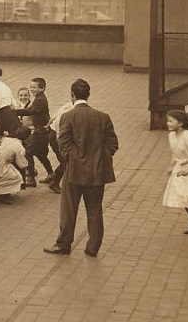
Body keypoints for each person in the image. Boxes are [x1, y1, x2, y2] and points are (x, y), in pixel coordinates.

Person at [44, 79, 118, 258]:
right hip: (97, 172)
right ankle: (93, 247)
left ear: (72, 95)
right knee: (94, 210)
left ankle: (64, 244)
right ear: (88, 95)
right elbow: (113, 144)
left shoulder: (67, 116)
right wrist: (99, 158)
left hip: (74, 172)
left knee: (69, 210)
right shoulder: (103, 117)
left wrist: (74, 159)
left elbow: (63, 145)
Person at [16, 77, 52, 188]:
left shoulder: (40, 99)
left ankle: (30, 178)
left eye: (34, 87)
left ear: (42, 88)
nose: (32, 89)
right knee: (41, 154)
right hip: (42, 131)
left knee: (28, 153)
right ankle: (51, 174)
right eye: (31, 87)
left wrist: (14, 112)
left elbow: (30, 111)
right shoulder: (39, 97)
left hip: (40, 131)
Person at [0, 128, 29, 203]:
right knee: (15, 177)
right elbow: (21, 164)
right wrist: (27, 166)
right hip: (2, 162)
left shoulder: (7, 139)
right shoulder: (19, 146)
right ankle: (3, 195)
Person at [46, 101, 74, 194]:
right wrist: (59, 139)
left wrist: (48, 125)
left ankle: (53, 177)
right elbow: (58, 121)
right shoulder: (71, 108)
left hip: (54, 133)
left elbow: (54, 116)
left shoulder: (68, 104)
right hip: (57, 136)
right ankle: (55, 182)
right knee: (65, 161)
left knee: (64, 161)